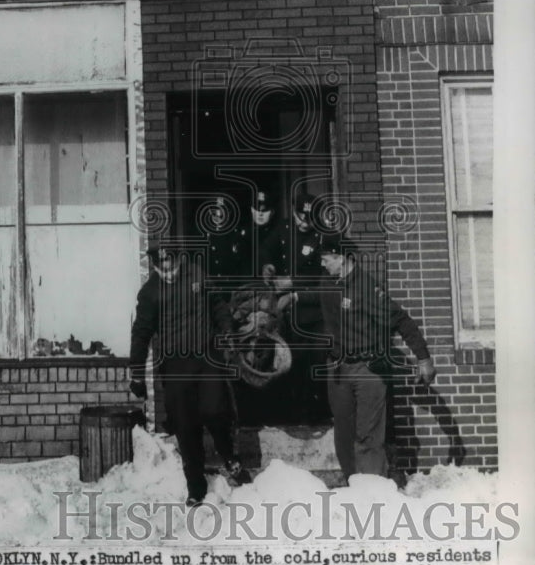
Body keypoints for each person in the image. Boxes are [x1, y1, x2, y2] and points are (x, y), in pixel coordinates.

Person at [283, 234, 437, 481]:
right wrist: (293, 296)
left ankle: (373, 490)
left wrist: (423, 359)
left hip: (368, 369)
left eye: (326, 260)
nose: (322, 264)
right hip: (337, 368)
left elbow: (401, 320)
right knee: (343, 433)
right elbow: (319, 294)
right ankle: (354, 484)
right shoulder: (329, 280)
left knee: (367, 435)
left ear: (343, 259)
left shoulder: (366, 288)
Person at [129, 241, 251, 505]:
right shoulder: (150, 293)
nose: (169, 272)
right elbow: (141, 333)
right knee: (185, 425)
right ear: (155, 265)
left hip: (206, 356)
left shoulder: (197, 275)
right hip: (176, 365)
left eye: (172, 265)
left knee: (216, 410)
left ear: (179, 259)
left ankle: (230, 457)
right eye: (163, 268)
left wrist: (227, 330)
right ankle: (195, 485)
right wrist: (137, 373)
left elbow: (217, 304)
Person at [258, 189, 330, 423]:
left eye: (308, 219)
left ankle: (319, 414)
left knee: (316, 364)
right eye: (300, 216)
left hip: (313, 313)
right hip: (287, 313)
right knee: (291, 364)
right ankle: (293, 413)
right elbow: (266, 247)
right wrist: (267, 264)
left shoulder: (322, 236)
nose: (303, 222)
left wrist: (293, 283)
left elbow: (323, 276)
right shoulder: (284, 228)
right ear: (293, 212)